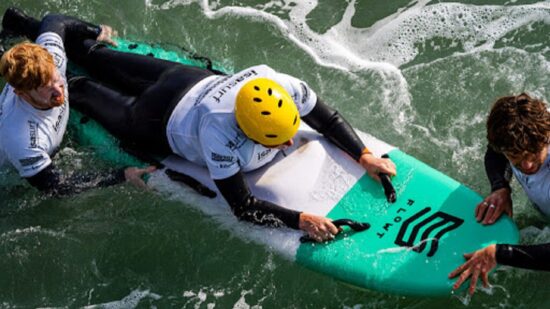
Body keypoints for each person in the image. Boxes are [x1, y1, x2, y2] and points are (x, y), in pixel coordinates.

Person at [8, 10, 397, 242]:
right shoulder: (219, 135)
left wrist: (363, 154)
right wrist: (300, 219)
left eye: (287, 132)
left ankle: (37, 35)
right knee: (83, 89)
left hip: (183, 78)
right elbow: (242, 207)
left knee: (97, 54)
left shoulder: (280, 84)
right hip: (153, 119)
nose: (291, 141)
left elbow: (323, 116)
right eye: (273, 140)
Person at [0, 8, 154, 196]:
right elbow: (57, 187)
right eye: (47, 90)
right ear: (23, 95)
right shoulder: (24, 140)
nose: (59, 91)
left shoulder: (52, 58)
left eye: (56, 80)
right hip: (9, 176)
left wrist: (96, 31)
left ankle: (14, 24)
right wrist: (121, 176)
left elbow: (55, 20)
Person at [449, 93, 550, 295]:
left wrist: (500, 253)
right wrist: (500, 187)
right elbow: (495, 151)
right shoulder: (524, 135)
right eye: (516, 158)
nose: (527, 166)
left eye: (532, 155)